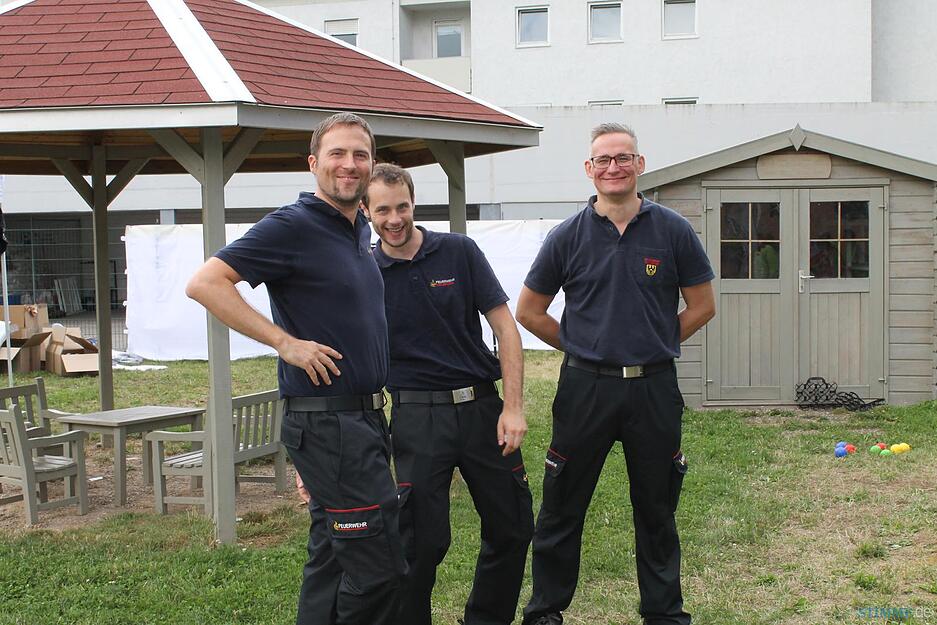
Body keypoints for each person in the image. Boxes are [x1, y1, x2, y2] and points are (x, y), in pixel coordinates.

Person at [185, 113, 406, 625]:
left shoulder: (354, 231)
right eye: (337, 154)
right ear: (313, 163)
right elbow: (206, 283)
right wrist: (285, 343)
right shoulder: (295, 225)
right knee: (377, 568)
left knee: (331, 560)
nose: (349, 165)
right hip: (331, 424)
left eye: (360, 155)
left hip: (359, 422)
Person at [515, 123, 716, 625]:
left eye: (623, 157)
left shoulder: (673, 230)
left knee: (656, 509)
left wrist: (659, 342)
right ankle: (545, 611)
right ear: (589, 170)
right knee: (562, 507)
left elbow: (703, 305)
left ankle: (664, 613)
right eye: (603, 160)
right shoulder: (567, 236)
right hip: (586, 389)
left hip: (653, 389)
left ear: (639, 164)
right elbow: (530, 311)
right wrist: (583, 347)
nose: (613, 167)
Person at [364, 163, 534, 625]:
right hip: (418, 419)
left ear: (414, 203)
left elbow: (505, 326)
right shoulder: (364, 271)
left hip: (483, 410)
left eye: (402, 207)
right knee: (420, 543)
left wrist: (513, 407)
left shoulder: (458, 251)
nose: (394, 219)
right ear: (366, 211)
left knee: (513, 527)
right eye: (383, 210)